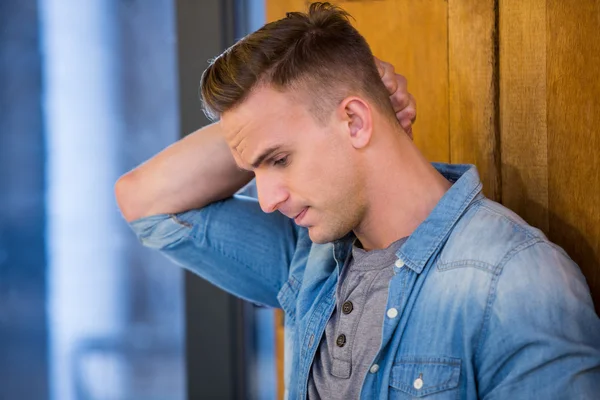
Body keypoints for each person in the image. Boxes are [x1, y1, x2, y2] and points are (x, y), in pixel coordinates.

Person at [115, 2, 600, 399]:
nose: (266, 200)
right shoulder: (308, 260)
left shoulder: (515, 283)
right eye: (254, 170)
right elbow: (144, 200)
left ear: (355, 122)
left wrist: (332, 89)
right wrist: (278, 112)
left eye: (279, 159)